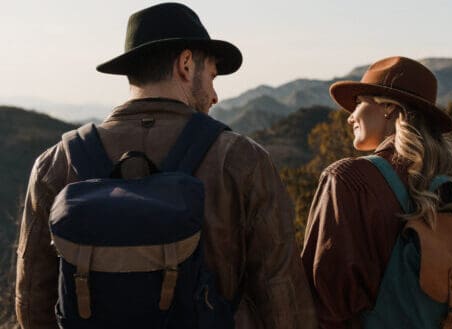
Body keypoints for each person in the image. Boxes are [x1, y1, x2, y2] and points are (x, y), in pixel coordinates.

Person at [15, 3, 316, 329]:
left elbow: (33, 302)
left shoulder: (56, 164)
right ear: (186, 65)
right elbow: (281, 295)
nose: (215, 96)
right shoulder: (241, 160)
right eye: (213, 76)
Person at [302, 56, 452, 328]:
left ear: (389, 108)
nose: (350, 117)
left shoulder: (348, 179)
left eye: (360, 102)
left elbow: (326, 298)